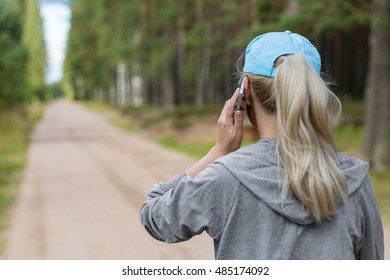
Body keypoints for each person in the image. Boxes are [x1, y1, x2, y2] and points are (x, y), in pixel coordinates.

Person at [139, 31, 384, 259]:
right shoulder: (354, 179)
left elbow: (155, 216)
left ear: (244, 92)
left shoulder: (227, 177)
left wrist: (219, 151)